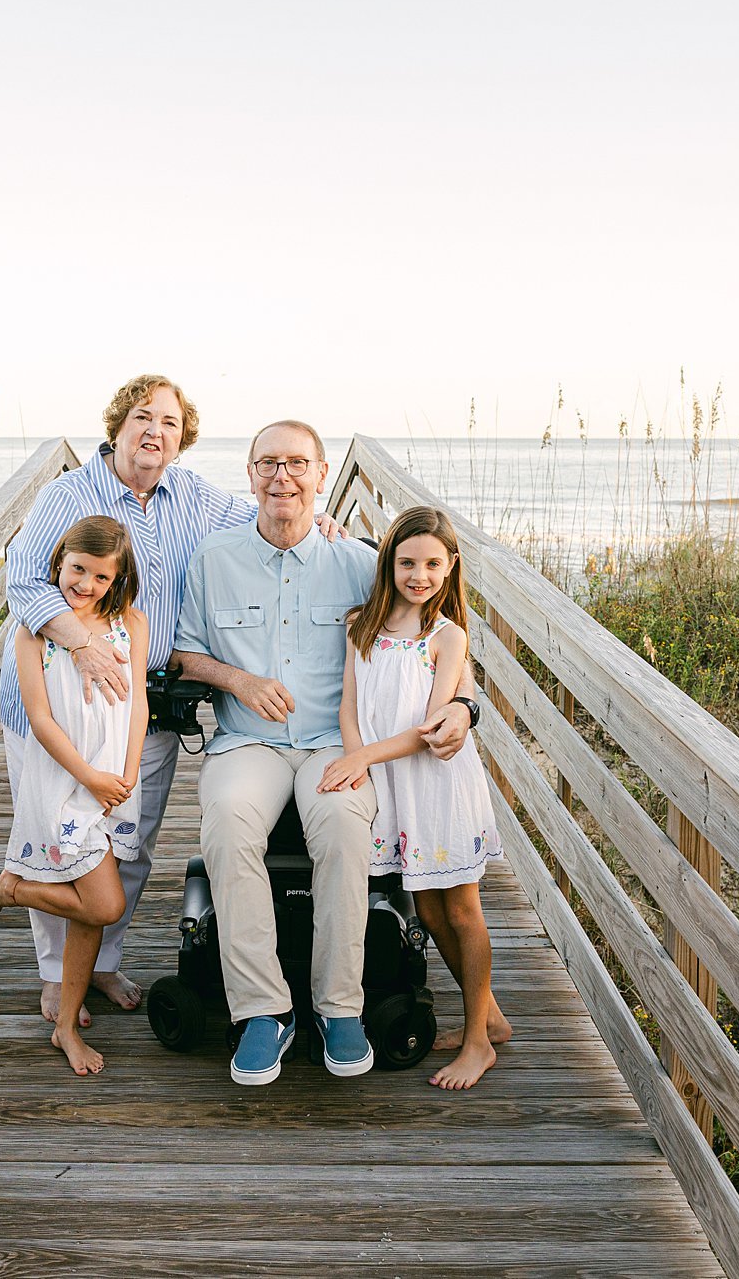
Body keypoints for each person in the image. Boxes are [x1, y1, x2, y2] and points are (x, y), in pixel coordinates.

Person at [173, 422, 480, 1085]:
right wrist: (236, 680)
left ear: (320, 474)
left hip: (334, 747)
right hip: (246, 740)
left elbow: (434, 639)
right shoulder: (211, 558)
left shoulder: (361, 562)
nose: (281, 476)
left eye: (296, 464)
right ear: (249, 473)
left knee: (343, 825)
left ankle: (341, 1006)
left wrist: (464, 705)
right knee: (226, 821)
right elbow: (181, 649)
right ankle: (263, 1011)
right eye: (267, 463)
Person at [0, 375, 256, 1026]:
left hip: (144, 707)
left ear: (182, 438)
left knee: (128, 843)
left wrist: (321, 521)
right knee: (61, 843)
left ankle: (101, 961)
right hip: (57, 707)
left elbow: (261, 523)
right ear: (117, 424)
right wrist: (82, 642)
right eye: (144, 416)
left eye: (170, 423)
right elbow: (23, 579)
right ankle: (57, 977)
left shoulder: (192, 495)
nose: (155, 432)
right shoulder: (70, 494)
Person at [318, 505, 511, 1089]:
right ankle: (492, 1017)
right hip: (392, 783)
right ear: (388, 563)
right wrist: (361, 762)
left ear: (451, 567)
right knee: (425, 906)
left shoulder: (446, 637)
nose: (419, 575)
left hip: (438, 785)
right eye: (407, 562)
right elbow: (350, 707)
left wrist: (362, 758)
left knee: (460, 908)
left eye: (432, 563)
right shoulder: (362, 626)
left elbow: (432, 730)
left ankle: (478, 1042)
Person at [0, 516, 151, 1074]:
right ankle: (17, 889)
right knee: (104, 904)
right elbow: (41, 720)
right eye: (78, 569)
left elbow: (138, 704)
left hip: (114, 784)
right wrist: (90, 777)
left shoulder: (131, 622)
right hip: (64, 784)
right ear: (58, 563)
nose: (86, 585)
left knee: (91, 914)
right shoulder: (35, 631)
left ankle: (65, 1028)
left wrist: (125, 772)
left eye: (102, 577)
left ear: (117, 578)